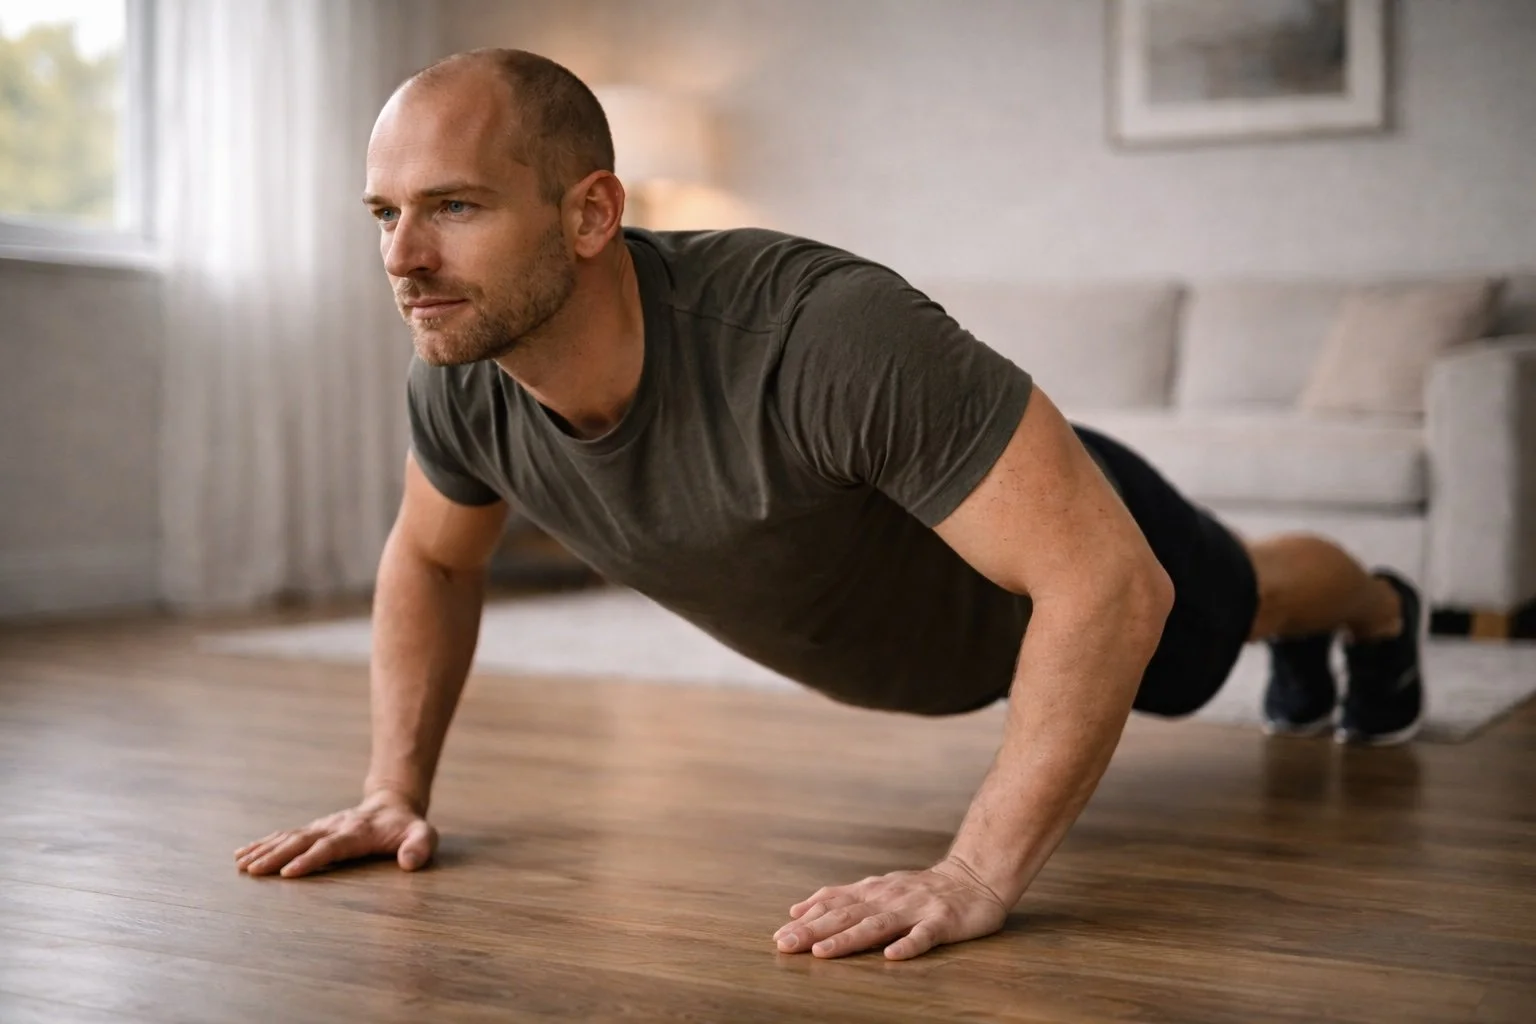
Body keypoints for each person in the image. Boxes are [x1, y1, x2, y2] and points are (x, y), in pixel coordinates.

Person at [234, 48, 1425, 962]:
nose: (402, 259)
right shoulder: (463, 384)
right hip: (943, 642)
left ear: (591, 213)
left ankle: (1376, 608)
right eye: (384, 213)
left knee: (1236, 611)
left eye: (453, 207)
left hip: (1063, 544)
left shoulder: (820, 335)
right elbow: (434, 561)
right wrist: (395, 790)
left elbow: (1109, 584)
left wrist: (974, 875)